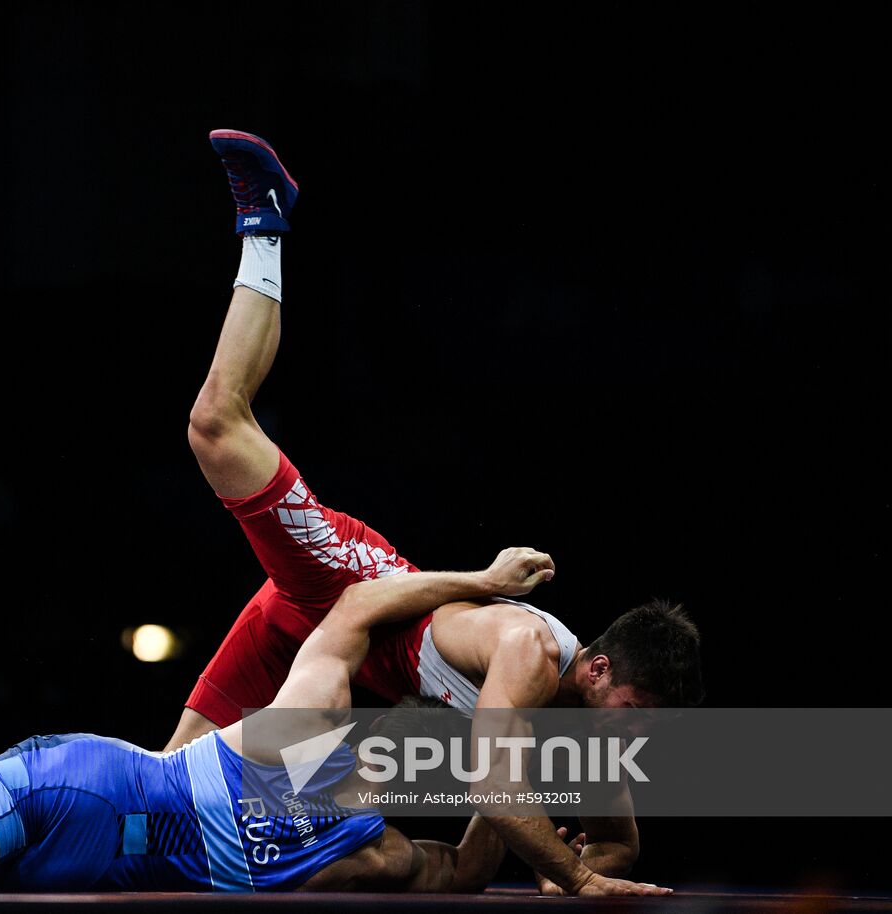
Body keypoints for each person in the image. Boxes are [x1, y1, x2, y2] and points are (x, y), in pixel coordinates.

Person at [170, 129, 705, 892]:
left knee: (164, 793)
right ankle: (265, 222)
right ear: (596, 667)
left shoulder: (585, 748)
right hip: (352, 593)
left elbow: (618, 844)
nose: (635, 733)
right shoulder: (530, 648)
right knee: (216, 426)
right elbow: (494, 784)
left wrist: (580, 868)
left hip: (327, 643)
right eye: (635, 709)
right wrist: (579, 879)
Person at [0, 549, 623, 893]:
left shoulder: (303, 731)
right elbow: (469, 865)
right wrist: (563, 853)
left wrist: (481, 583)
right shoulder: (373, 854)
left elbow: (353, 608)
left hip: (84, 771)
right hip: (112, 858)